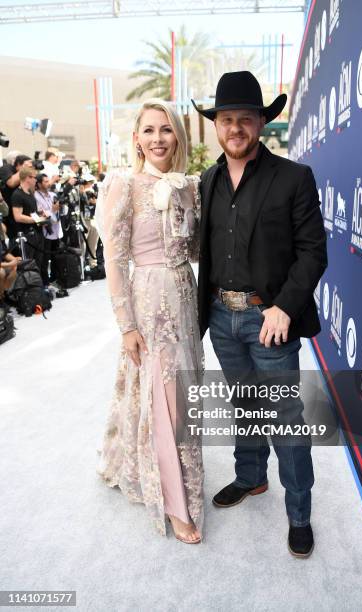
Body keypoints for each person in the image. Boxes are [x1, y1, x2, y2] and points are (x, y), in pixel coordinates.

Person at [192, 71, 327, 557]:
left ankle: (299, 512)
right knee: (244, 407)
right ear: (216, 125)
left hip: (268, 320)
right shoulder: (206, 180)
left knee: (285, 417)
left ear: (261, 123)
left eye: (245, 118)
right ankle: (251, 478)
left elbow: (313, 252)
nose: (235, 127)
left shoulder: (294, 177)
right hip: (221, 320)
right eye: (226, 119)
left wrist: (283, 307)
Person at [96, 99, 204, 543]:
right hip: (148, 301)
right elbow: (115, 260)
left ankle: (173, 475)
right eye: (149, 130)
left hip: (185, 298)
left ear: (178, 135)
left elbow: (197, 251)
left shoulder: (190, 187)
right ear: (136, 138)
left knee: (185, 393)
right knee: (164, 400)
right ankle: (176, 504)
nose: (158, 138)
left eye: (166, 129)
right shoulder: (123, 185)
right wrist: (126, 326)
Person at [10, 166, 46, 272]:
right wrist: (37, 219)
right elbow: (18, 216)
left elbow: (30, 212)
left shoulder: (30, 193)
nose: (36, 180)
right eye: (34, 178)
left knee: (39, 262)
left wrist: (39, 214)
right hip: (27, 235)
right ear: (27, 178)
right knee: (29, 264)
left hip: (37, 232)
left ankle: (37, 286)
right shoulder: (17, 195)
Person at [34, 173, 63, 286]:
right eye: (45, 182)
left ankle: (55, 278)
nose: (48, 183)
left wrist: (60, 208)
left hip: (56, 229)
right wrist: (53, 210)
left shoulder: (52, 194)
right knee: (44, 259)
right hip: (45, 231)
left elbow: (58, 211)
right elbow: (41, 215)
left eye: (48, 181)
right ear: (39, 184)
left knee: (55, 256)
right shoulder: (36, 196)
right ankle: (45, 283)